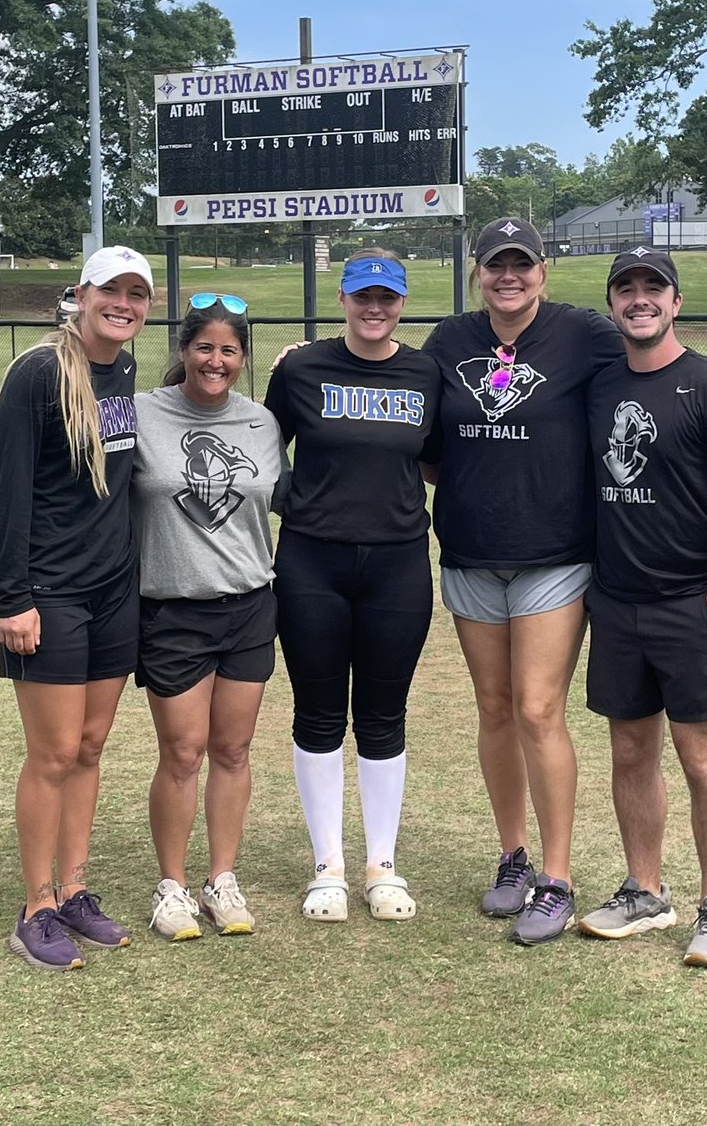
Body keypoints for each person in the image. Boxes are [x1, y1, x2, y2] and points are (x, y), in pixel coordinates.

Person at [420, 219, 707, 947]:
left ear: (544, 272)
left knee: (555, 714)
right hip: (505, 564)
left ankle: (577, 879)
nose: (508, 276)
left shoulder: (590, 338)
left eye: (522, 265)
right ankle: (547, 865)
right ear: (478, 272)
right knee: (509, 711)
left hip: (575, 564)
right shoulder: (451, 342)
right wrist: (303, 357)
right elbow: (418, 433)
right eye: (495, 265)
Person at [577, 247, 707, 970]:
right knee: (629, 749)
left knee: (702, 757)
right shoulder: (597, 386)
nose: (641, 299)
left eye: (655, 288)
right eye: (627, 289)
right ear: (613, 303)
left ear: (676, 302)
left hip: (692, 602)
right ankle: (645, 892)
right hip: (617, 601)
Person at [0, 244, 154, 970]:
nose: (123, 303)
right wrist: (12, 599)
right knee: (52, 754)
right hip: (47, 594)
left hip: (113, 589)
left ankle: (77, 889)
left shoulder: (124, 368)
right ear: (80, 295)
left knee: (89, 747)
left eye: (136, 294)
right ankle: (36, 907)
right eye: (110, 291)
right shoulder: (38, 372)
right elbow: (8, 490)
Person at [264, 249, 441, 923]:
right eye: (363, 296)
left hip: (397, 563)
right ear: (342, 298)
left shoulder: (425, 371)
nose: (375, 309)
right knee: (316, 712)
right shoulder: (303, 367)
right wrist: (294, 496)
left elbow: (440, 455)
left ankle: (381, 865)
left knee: (382, 714)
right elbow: (258, 441)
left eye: (387, 298)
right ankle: (327, 866)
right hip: (313, 560)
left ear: (401, 302)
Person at [131, 294, 289, 942]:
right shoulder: (143, 413)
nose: (215, 360)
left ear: (241, 358)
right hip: (172, 609)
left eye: (228, 350)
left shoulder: (262, 424)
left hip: (250, 605)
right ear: (183, 352)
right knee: (183, 752)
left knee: (232, 749)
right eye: (204, 347)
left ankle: (221, 879)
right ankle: (171, 886)